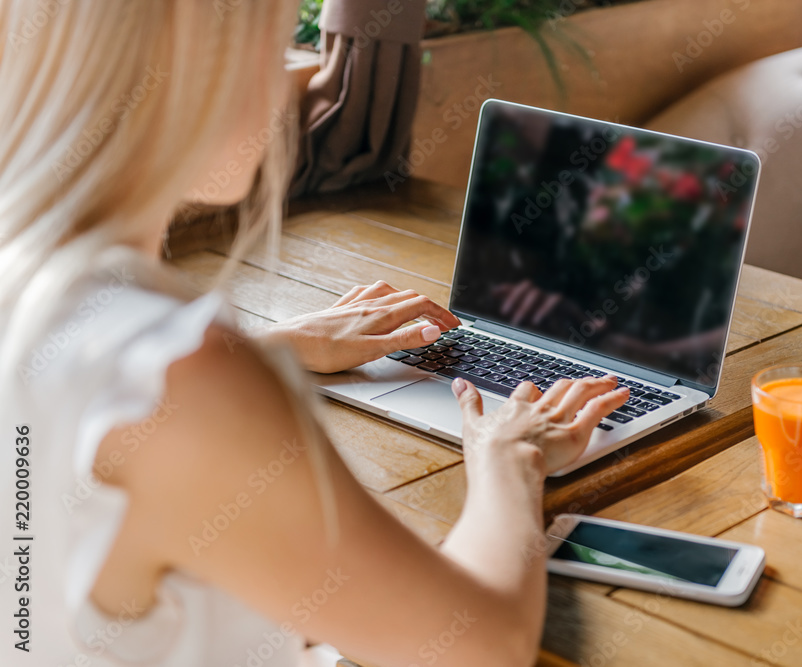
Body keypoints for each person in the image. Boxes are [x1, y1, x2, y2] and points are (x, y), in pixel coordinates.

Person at [0, 2, 629, 666]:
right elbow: (485, 646)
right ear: (193, 65)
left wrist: (271, 349)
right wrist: (510, 460)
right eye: (273, 47)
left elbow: (83, 414)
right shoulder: (181, 375)